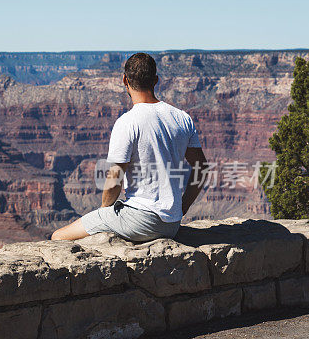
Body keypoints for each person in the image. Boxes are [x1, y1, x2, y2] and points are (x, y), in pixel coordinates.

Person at [51, 52, 207, 242]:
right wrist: (181, 208)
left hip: (140, 220)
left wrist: (104, 213)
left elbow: (115, 178)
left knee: (58, 236)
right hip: (172, 224)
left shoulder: (128, 122)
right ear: (156, 80)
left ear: (124, 80)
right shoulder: (182, 118)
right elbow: (202, 168)